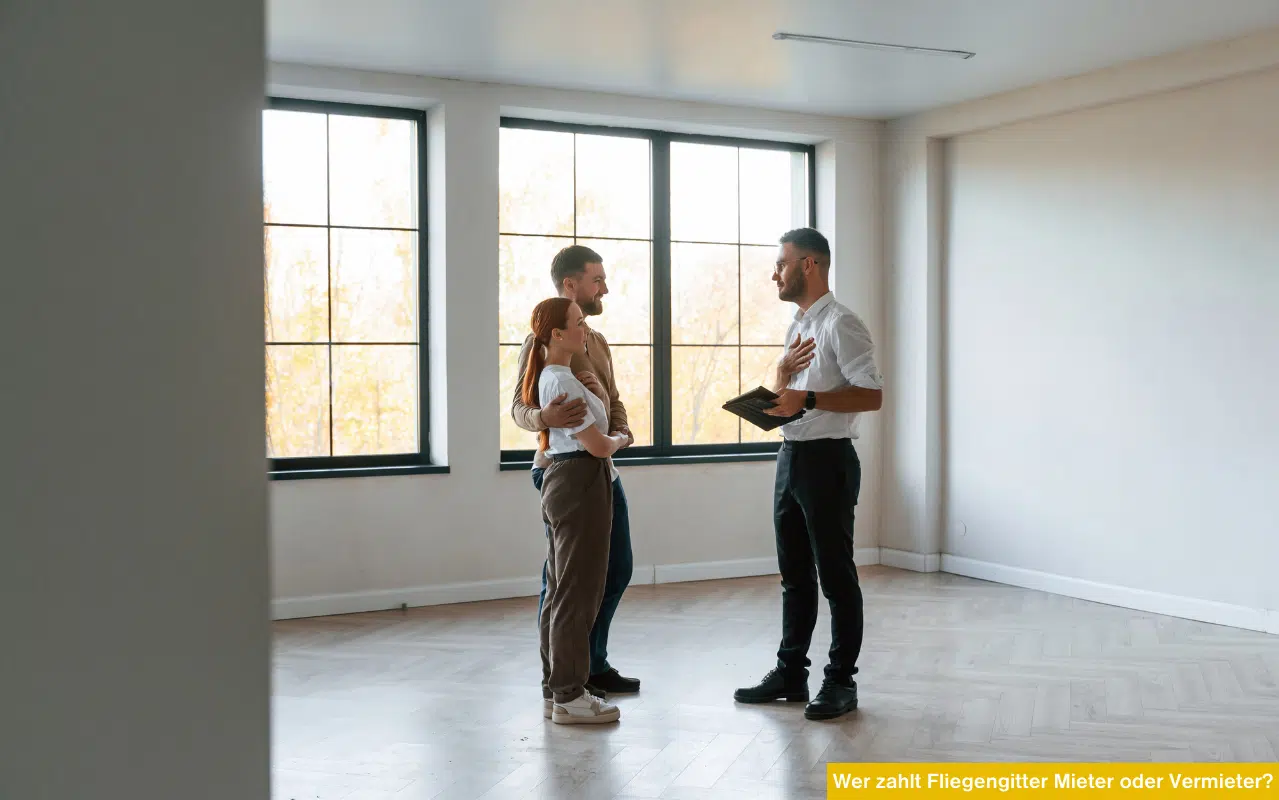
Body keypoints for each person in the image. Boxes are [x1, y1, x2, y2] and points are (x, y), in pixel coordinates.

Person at [733, 227, 883, 721]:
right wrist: (778, 386)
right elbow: (791, 399)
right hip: (791, 456)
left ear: (809, 266)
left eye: (782, 262)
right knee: (794, 577)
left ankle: (840, 682)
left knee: (836, 577)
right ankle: (791, 673)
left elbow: (872, 395)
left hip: (828, 460)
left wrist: (810, 398)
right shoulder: (798, 325)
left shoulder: (842, 324)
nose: (774, 271)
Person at [510, 245, 640, 698]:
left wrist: (621, 432)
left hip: (603, 468)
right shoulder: (542, 340)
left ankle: (591, 662)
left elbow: (613, 399)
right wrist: (547, 418)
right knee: (564, 582)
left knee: (616, 569)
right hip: (561, 469)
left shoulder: (596, 341)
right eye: (597, 279)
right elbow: (520, 408)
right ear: (571, 284)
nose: (604, 287)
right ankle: (561, 676)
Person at [524, 296, 630, 724]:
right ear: (557, 333)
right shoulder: (560, 382)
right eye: (578, 323)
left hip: (573, 480)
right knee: (576, 593)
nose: (584, 329)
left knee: (563, 588)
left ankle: (558, 690)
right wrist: (624, 439)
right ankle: (570, 695)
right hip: (581, 480)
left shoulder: (563, 377)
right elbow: (601, 445)